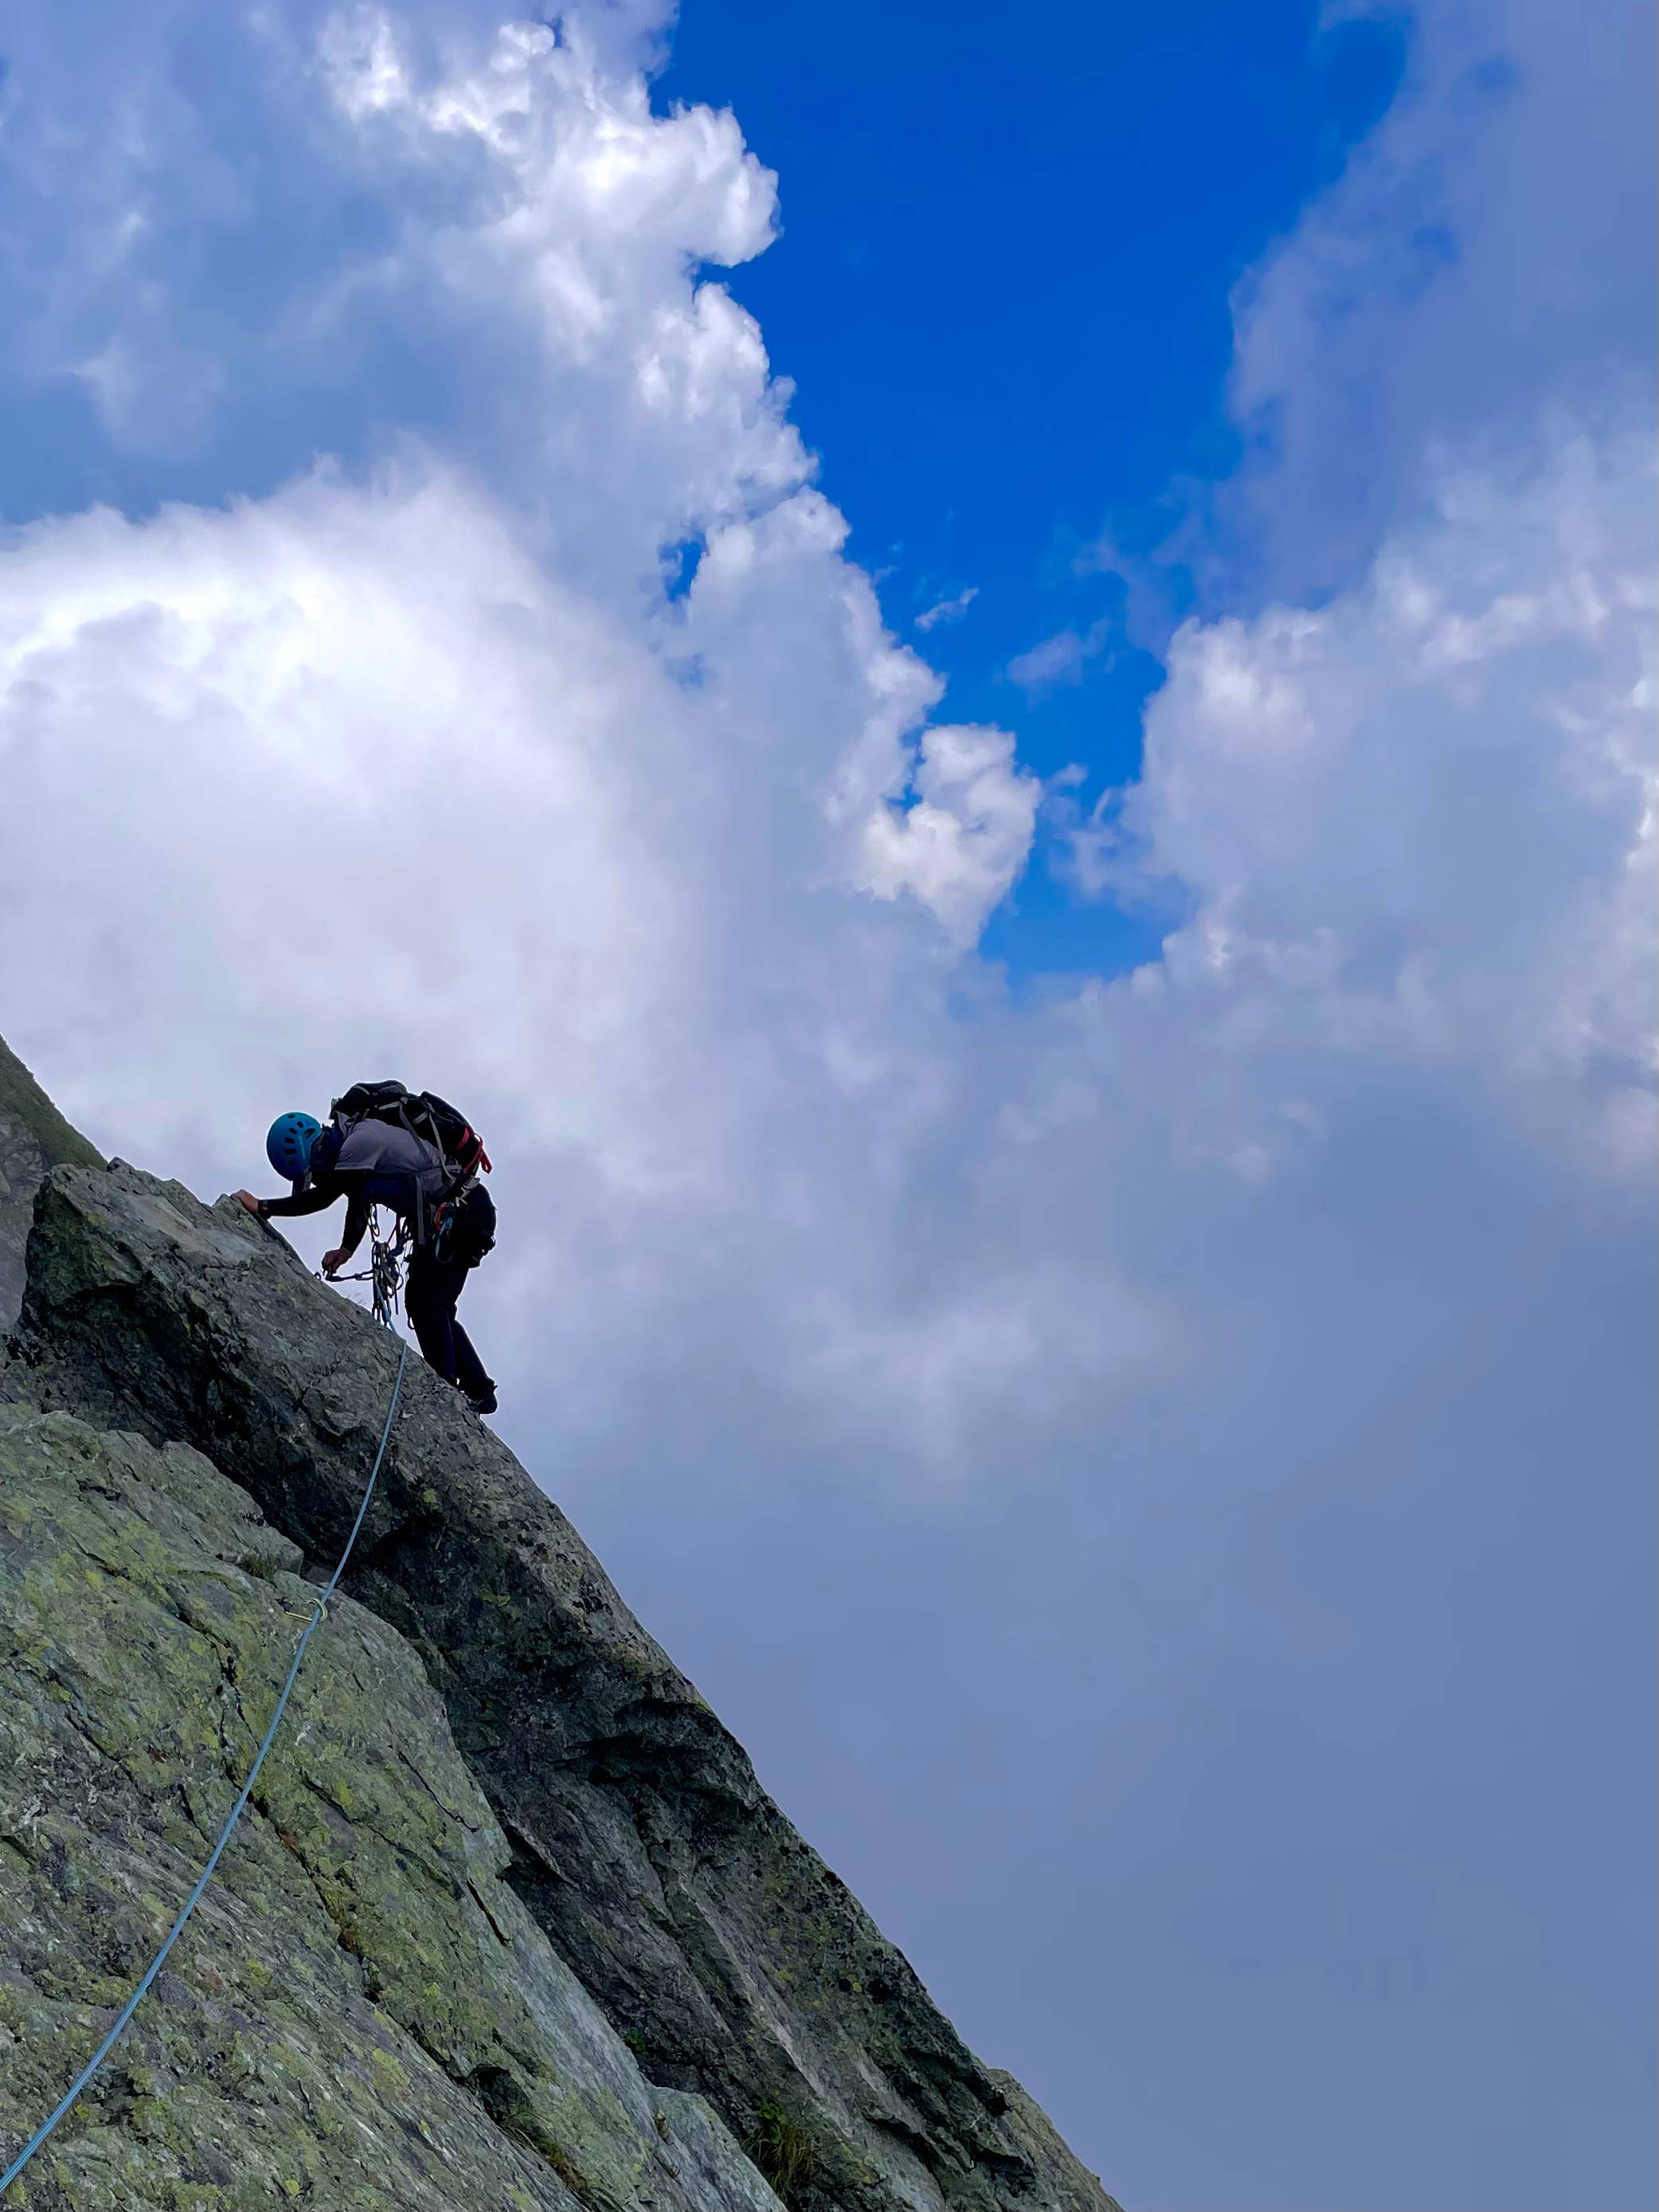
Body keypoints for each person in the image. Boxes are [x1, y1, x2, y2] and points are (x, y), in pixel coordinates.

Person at [235, 1105, 499, 1415]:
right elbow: (357, 1198)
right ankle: (478, 1392)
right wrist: (346, 1250)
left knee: (429, 1304)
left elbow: (326, 1197)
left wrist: (263, 1207)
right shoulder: (353, 1143)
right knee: (427, 1304)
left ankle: (447, 1394)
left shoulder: (360, 1140)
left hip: (463, 1215)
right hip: (458, 1216)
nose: (317, 1178)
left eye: (312, 1172)